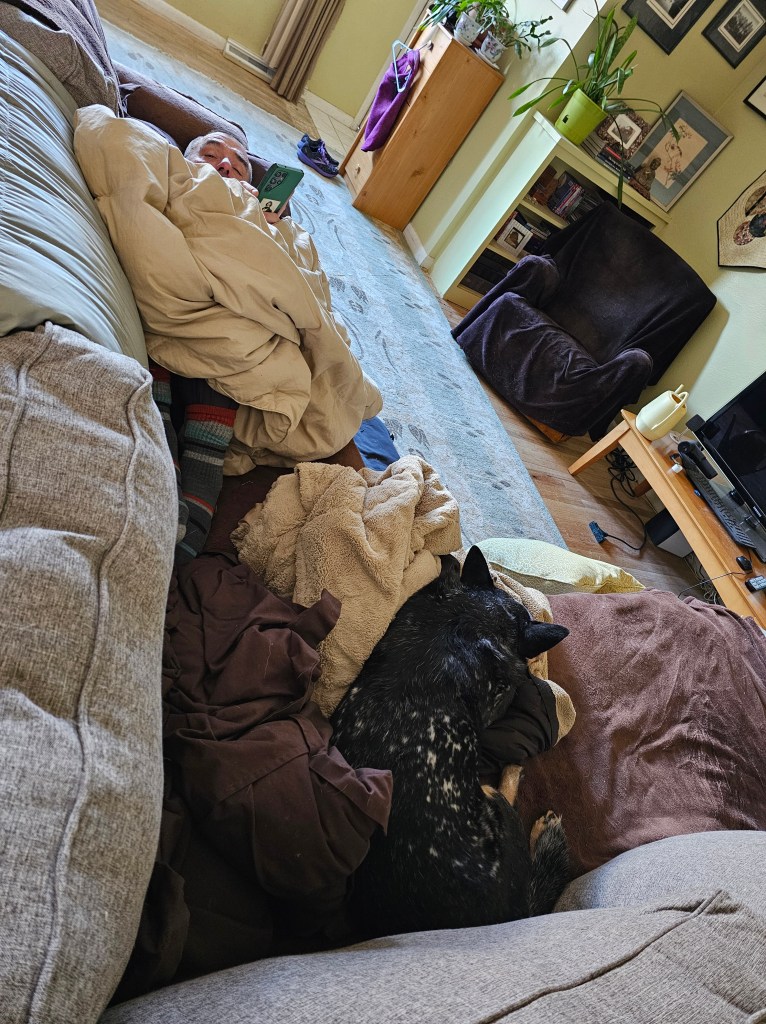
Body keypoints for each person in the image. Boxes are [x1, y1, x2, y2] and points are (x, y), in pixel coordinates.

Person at [184, 131, 292, 224]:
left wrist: (262, 227)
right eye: (210, 155)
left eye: (237, 170)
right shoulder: (173, 164)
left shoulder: (257, 222)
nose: (226, 165)